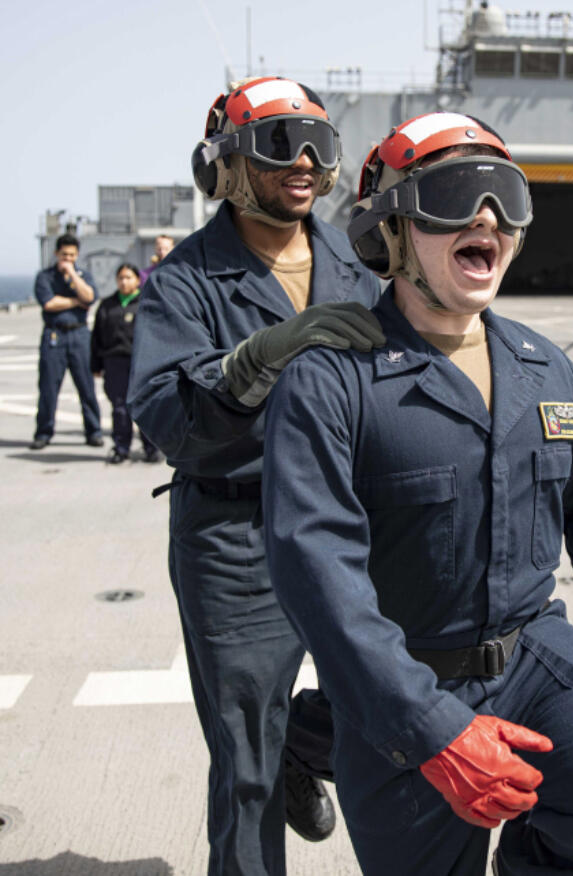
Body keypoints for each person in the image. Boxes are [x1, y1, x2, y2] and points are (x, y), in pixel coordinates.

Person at [262, 112, 573, 874]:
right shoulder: (329, 382)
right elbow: (317, 576)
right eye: (456, 194)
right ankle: (314, 738)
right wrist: (432, 729)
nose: (485, 218)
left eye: (504, 197)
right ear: (392, 229)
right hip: (404, 675)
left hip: (533, 652)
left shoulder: (546, 369)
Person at [129, 76, 384, 875]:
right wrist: (255, 362)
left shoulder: (350, 255)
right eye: (281, 144)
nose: (305, 162)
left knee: (400, 699)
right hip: (237, 536)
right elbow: (168, 421)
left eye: (320, 144)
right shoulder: (184, 282)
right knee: (245, 767)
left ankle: (303, 745)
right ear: (229, 165)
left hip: (348, 524)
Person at [29, 233, 104, 450]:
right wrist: (76, 301)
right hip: (54, 335)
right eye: (64, 255)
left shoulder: (83, 275)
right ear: (56, 253)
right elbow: (49, 303)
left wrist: (72, 274)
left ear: (77, 255)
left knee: (86, 387)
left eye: (72, 255)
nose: (68, 259)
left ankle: (93, 431)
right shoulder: (45, 277)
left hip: (80, 335)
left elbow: (89, 297)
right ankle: (43, 432)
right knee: (48, 388)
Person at [90, 263, 161, 464]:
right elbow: (96, 337)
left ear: (138, 280)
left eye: (128, 277)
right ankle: (121, 447)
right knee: (119, 408)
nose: (124, 281)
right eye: (121, 278)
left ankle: (151, 448)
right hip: (114, 362)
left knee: (146, 405)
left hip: (141, 362)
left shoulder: (147, 303)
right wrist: (96, 365)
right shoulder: (107, 305)